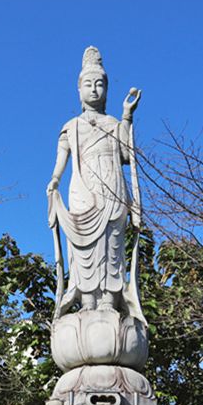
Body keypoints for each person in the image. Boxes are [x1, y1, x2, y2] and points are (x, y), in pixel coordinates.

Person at [47, 46, 142, 319]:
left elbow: (126, 154)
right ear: (78, 90)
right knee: (84, 249)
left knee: (112, 249)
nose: (94, 90)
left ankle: (109, 302)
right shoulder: (71, 126)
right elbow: (60, 162)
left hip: (112, 191)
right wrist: (54, 181)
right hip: (82, 192)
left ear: (107, 90)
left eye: (99, 84)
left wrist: (127, 115)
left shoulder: (114, 123)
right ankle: (87, 301)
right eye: (88, 84)